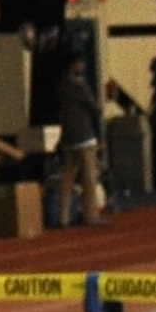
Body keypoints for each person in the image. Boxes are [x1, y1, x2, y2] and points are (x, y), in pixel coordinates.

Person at [53, 49, 105, 226]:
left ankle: (63, 216)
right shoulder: (79, 85)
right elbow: (94, 107)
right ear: (73, 65)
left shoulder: (60, 85)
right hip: (83, 135)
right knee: (89, 177)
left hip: (67, 136)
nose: (82, 66)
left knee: (67, 178)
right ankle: (91, 215)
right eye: (80, 63)